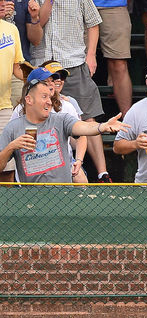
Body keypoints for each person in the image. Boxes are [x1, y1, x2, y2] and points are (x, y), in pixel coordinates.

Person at [30, 0, 113, 182]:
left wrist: (91, 54)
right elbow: (36, 24)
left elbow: (93, 23)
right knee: (37, 119)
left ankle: (103, 173)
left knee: (88, 117)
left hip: (73, 62)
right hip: (42, 64)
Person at [0, 67, 129, 180]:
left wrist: (102, 126)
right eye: (44, 97)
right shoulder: (13, 127)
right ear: (29, 100)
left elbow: (83, 127)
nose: (49, 102)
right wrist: (11, 147)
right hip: (28, 194)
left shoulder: (61, 119)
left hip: (61, 192)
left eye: (49, 97)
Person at [11, 60, 88, 183]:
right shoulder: (20, 110)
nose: (52, 84)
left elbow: (81, 136)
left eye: (52, 80)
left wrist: (78, 160)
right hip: (32, 168)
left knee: (81, 180)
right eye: (46, 82)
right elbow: (12, 140)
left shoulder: (66, 106)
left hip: (63, 168)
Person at [93, 0, 133, 116]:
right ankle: (80, 121)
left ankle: (128, 120)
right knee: (79, 64)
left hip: (114, 5)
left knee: (119, 64)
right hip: (78, 5)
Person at [0, 0, 24, 182]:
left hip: (4, 106)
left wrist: (40, 79)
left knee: (8, 167)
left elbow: (18, 67)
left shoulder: (11, 29)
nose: (2, 3)